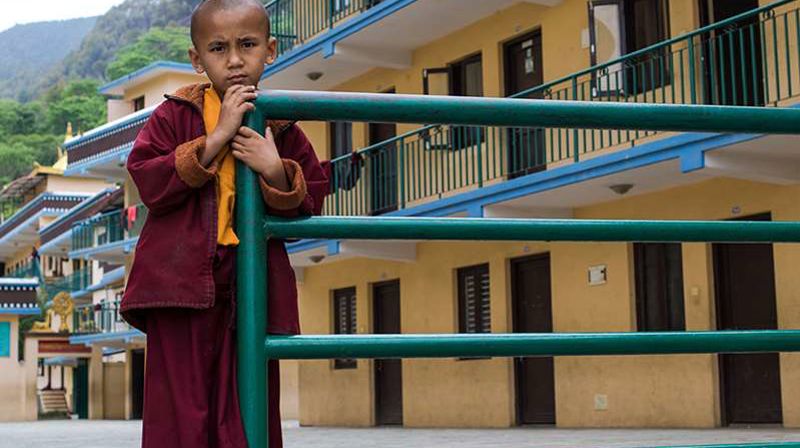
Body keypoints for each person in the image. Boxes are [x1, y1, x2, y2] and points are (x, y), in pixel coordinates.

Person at [120, 1, 328, 446]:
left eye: (247, 45)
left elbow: (312, 198)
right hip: (179, 287)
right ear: (197, 60)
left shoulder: (281, 122)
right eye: (218, 48)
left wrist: (275, 169)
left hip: (249, 285)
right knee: (181, 415)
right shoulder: (175, 115)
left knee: (248, 405)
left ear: (270, 50)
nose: (234, 60)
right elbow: (147, 180)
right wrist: (214, 141)